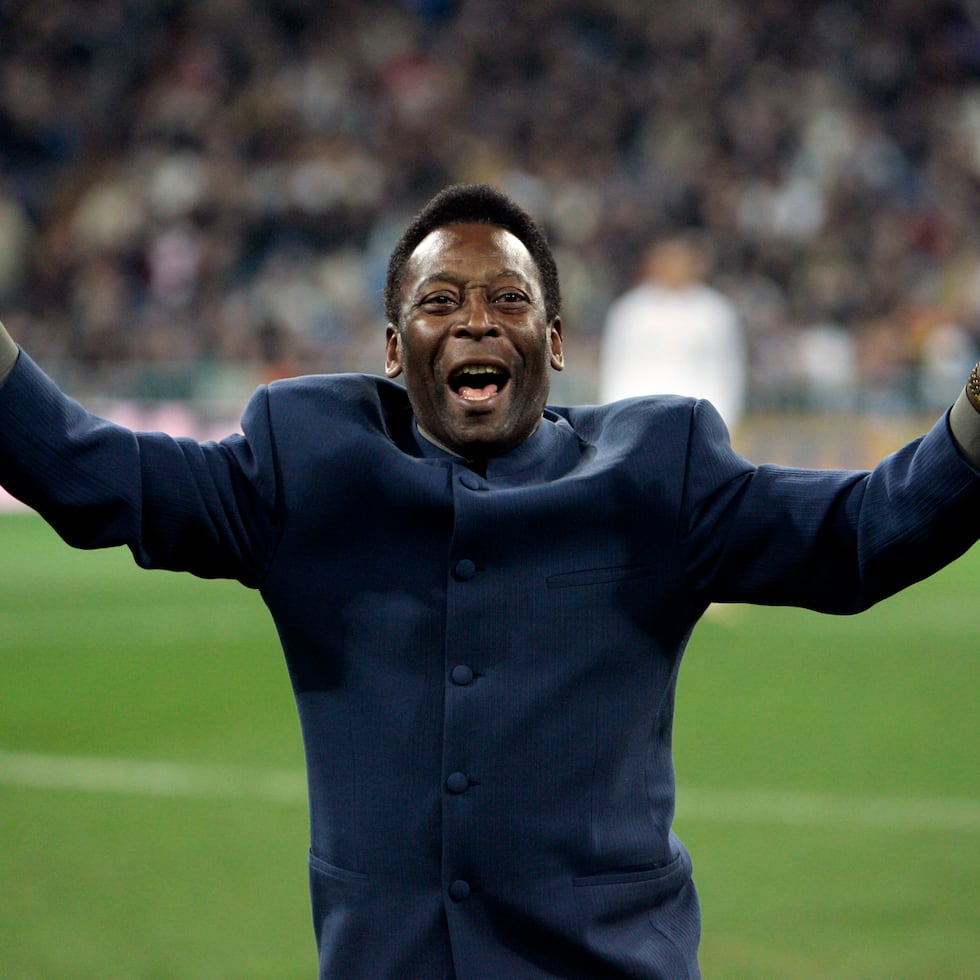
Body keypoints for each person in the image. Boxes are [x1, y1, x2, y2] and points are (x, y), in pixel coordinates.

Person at [1, 183, 980, 979]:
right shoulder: (303, 467)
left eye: (507, 300)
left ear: (552, 341)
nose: (475, 322)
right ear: (394, 350)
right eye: (439, 302)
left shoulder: (659, 470)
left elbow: (860, 535)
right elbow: (96, 475)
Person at [599, 235, 747, 433]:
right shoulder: (630, 311)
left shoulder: (715, 312)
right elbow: (616, 366)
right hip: (638, 416)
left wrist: (723, 418)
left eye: (681, 261)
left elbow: (727, 370)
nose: (674, 268)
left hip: (697, 419)